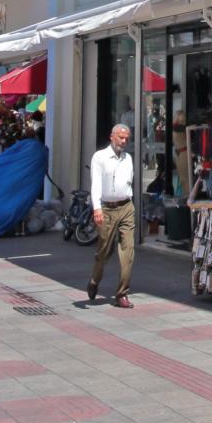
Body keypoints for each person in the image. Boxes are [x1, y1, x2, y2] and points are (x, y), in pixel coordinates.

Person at [88, 122, 136, 309]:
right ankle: (95, 279)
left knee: (128, 250)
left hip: (126, 207)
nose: (124, 141)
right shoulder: (100, 157)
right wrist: (97, 208)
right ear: (112, 136)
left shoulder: (128, 158)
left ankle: (122, 293)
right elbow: (96, 184)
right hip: (107, 209)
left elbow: (129, 182)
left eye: (126, 138)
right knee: (104, 251)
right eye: (121, 137)